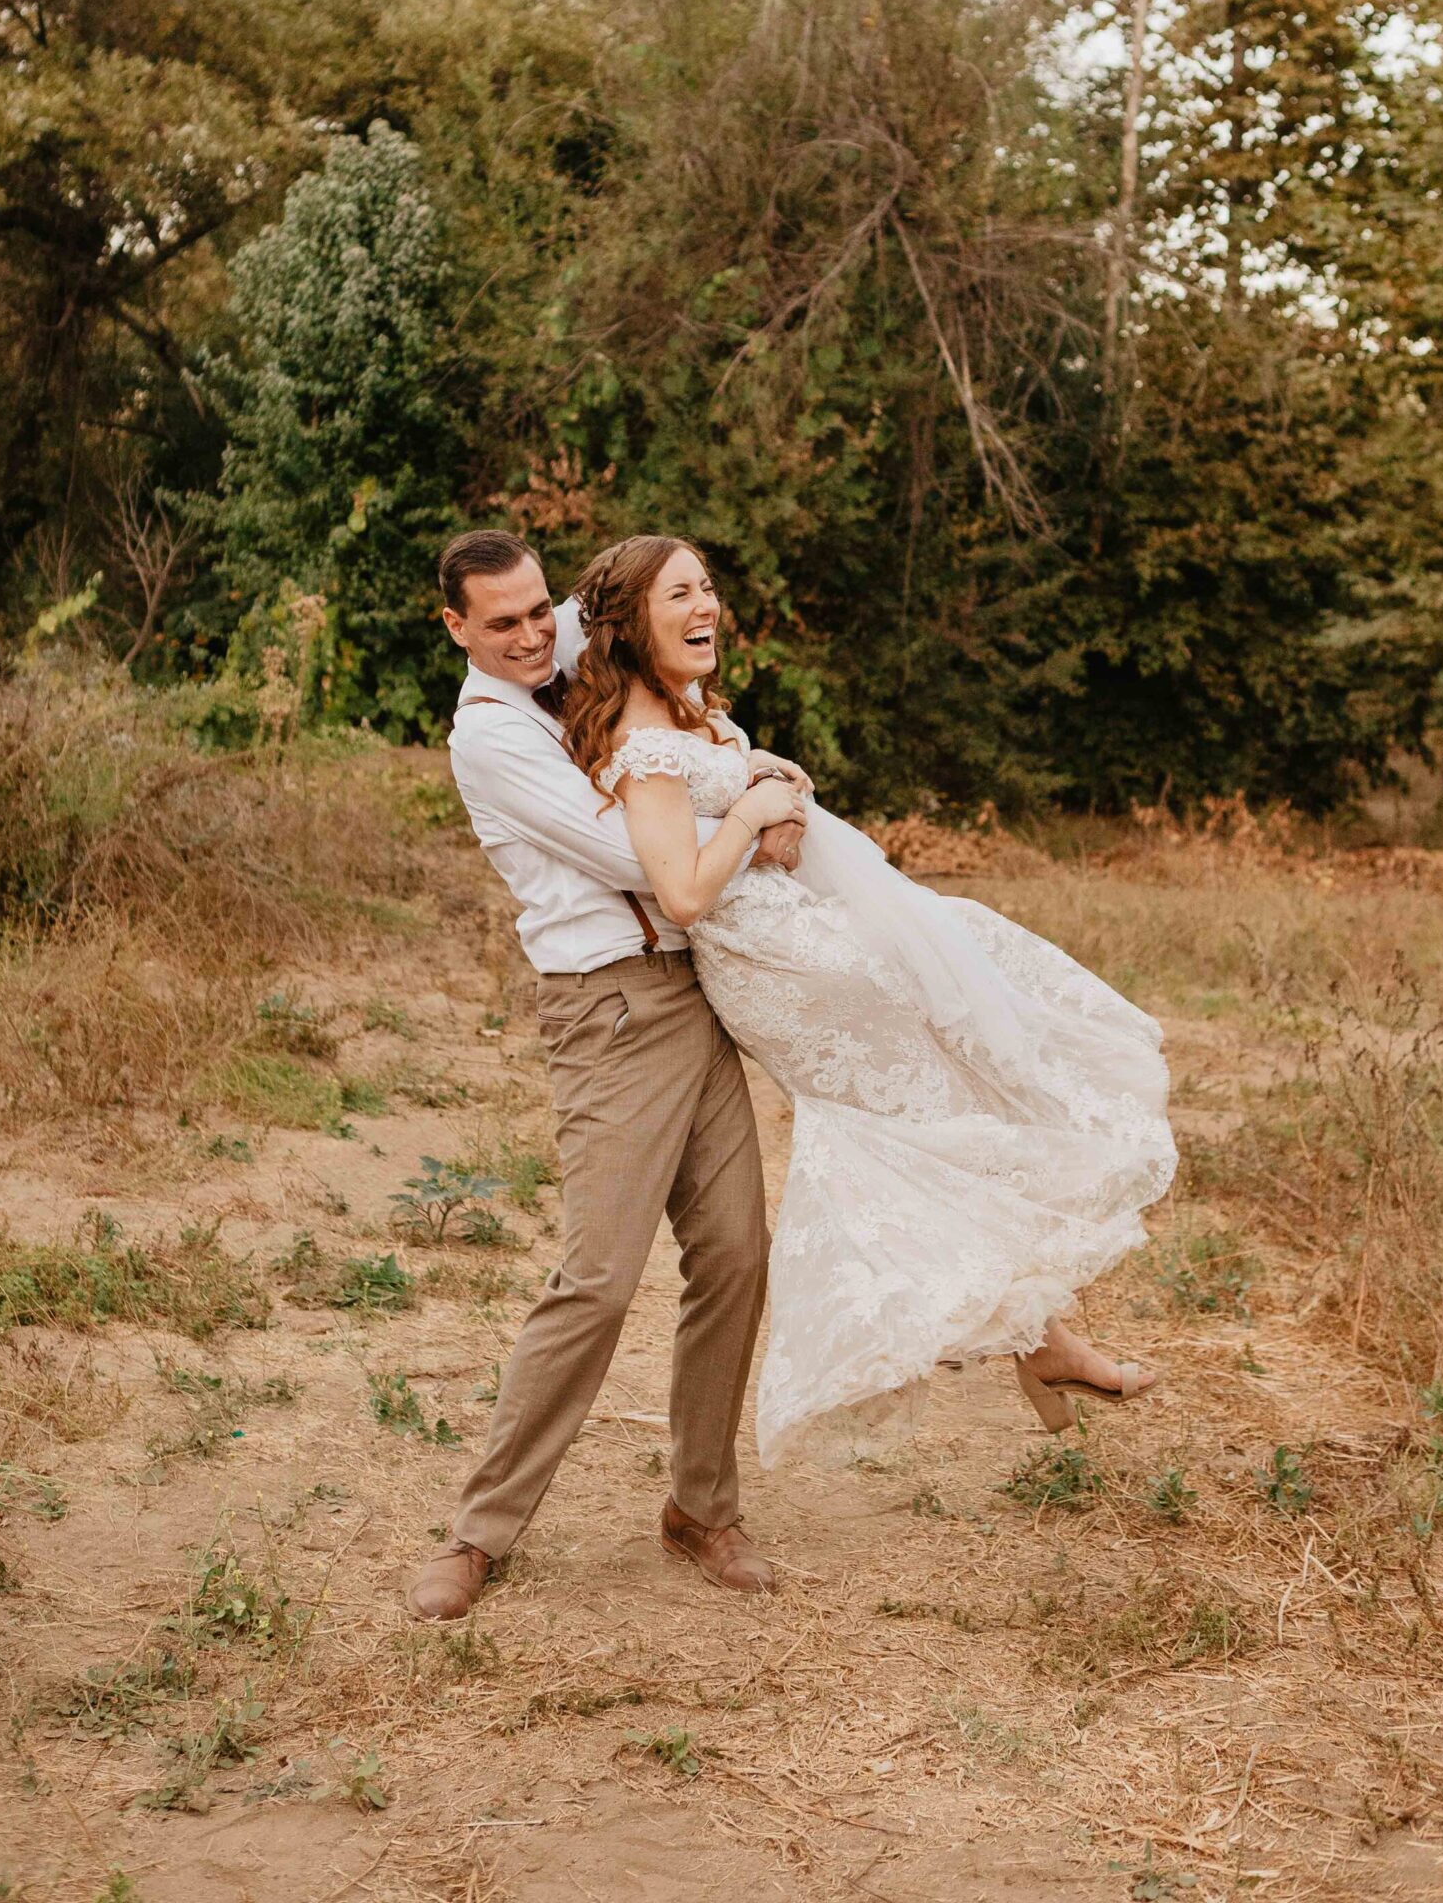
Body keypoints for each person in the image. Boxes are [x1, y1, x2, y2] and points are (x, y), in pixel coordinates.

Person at [563, 533, 1177, 1469]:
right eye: (679, 594)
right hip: (781, 967)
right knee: (946, 1105)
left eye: (709, 588)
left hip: (808, 936)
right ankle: (1033, 1342)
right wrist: (751, 812)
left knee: (958, 1094)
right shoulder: (643, 747)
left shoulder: (689, 716)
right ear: (628, 621)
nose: (705, 608)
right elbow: (682, 893)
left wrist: (776, 788)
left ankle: (1041, 1342)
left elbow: (750, 810)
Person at [403, 530, 808, 1623]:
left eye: (542, 610)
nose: (537, 636)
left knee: (737, 1249)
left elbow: (669, 643)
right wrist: (753, 810)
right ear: (457, 629)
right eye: (504, 624)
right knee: (597, 1279)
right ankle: (479, 1532)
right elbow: (641, 859)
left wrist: (742, 757)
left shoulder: (572, 636)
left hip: (691, 990)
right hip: (609, 1009)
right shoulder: (487, 738)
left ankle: (701, 1508)